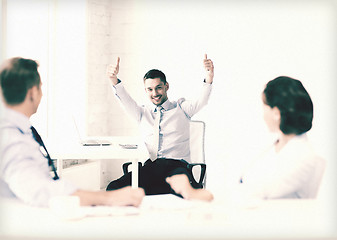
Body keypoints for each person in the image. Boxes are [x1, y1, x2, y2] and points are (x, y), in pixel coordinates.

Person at [0, 57, 145, 208]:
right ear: (32, 92)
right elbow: (39, 191)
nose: (42, 95)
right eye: (41, 88)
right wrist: (109, 198)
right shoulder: (11, 139)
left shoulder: (18, 130)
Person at [167, 76, 325, 201]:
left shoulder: (303, 157)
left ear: (276, 113)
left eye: (265, 107)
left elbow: (254, 193)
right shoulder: (276, 146)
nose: (263, 114)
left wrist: (193, 193)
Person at [106, 54, 214, 196]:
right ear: (146, 91)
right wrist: (114, 79)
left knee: (181, 192)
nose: (155, 93)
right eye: (150, 90)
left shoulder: (181, 108)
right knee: (113, 188)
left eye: (158, 88)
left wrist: (209, 76)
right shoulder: (142, 113)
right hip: (151, 168)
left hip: (177, 167)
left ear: (166, 86)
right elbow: (125, 100)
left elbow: (202, 101)